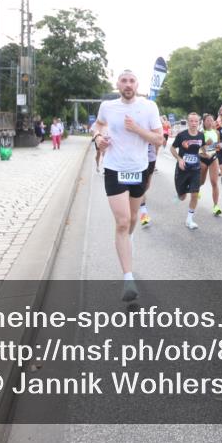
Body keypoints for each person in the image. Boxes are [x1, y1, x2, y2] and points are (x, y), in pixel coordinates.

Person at [91, 70, 164, 302]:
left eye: (132, 81)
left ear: (137, 85)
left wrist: (137, 129)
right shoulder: (108, 106)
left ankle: (127, 241)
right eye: (124, 81)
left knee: (132, 219)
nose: (128, 84)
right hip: (114, 168)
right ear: (118, 84)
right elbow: (98, 125)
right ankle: (128, 278)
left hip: (138, 170)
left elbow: (159, 139)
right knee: (122, 222)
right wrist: (97, 139)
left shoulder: (149, 107)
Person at [171, 112, 206, 230]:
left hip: (196, 169)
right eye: (191, 121)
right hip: (182, 170)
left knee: (195, 194)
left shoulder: (201, 135)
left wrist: (208, 151)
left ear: (199, 122)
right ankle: (180, 193)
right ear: (188, 122)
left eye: (196, 121)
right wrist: (179, 159)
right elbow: (172, 148)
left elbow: (202, 149)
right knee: (182, 197)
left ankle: (189, 220)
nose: (194, 123)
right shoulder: (182, 135)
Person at [199, 113, 222, 216]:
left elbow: (217, 147)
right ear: (204, 122)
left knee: (214, 182)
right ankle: (197, 188)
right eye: (207, 120)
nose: (210, 122)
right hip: (202, 159)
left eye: (211, 120)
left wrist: (218, 146)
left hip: (213, 158)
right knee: (202, 181)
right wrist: (205, 145)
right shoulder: (200, 133)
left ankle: (216, 206)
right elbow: (197, 148)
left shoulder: (216, 132)